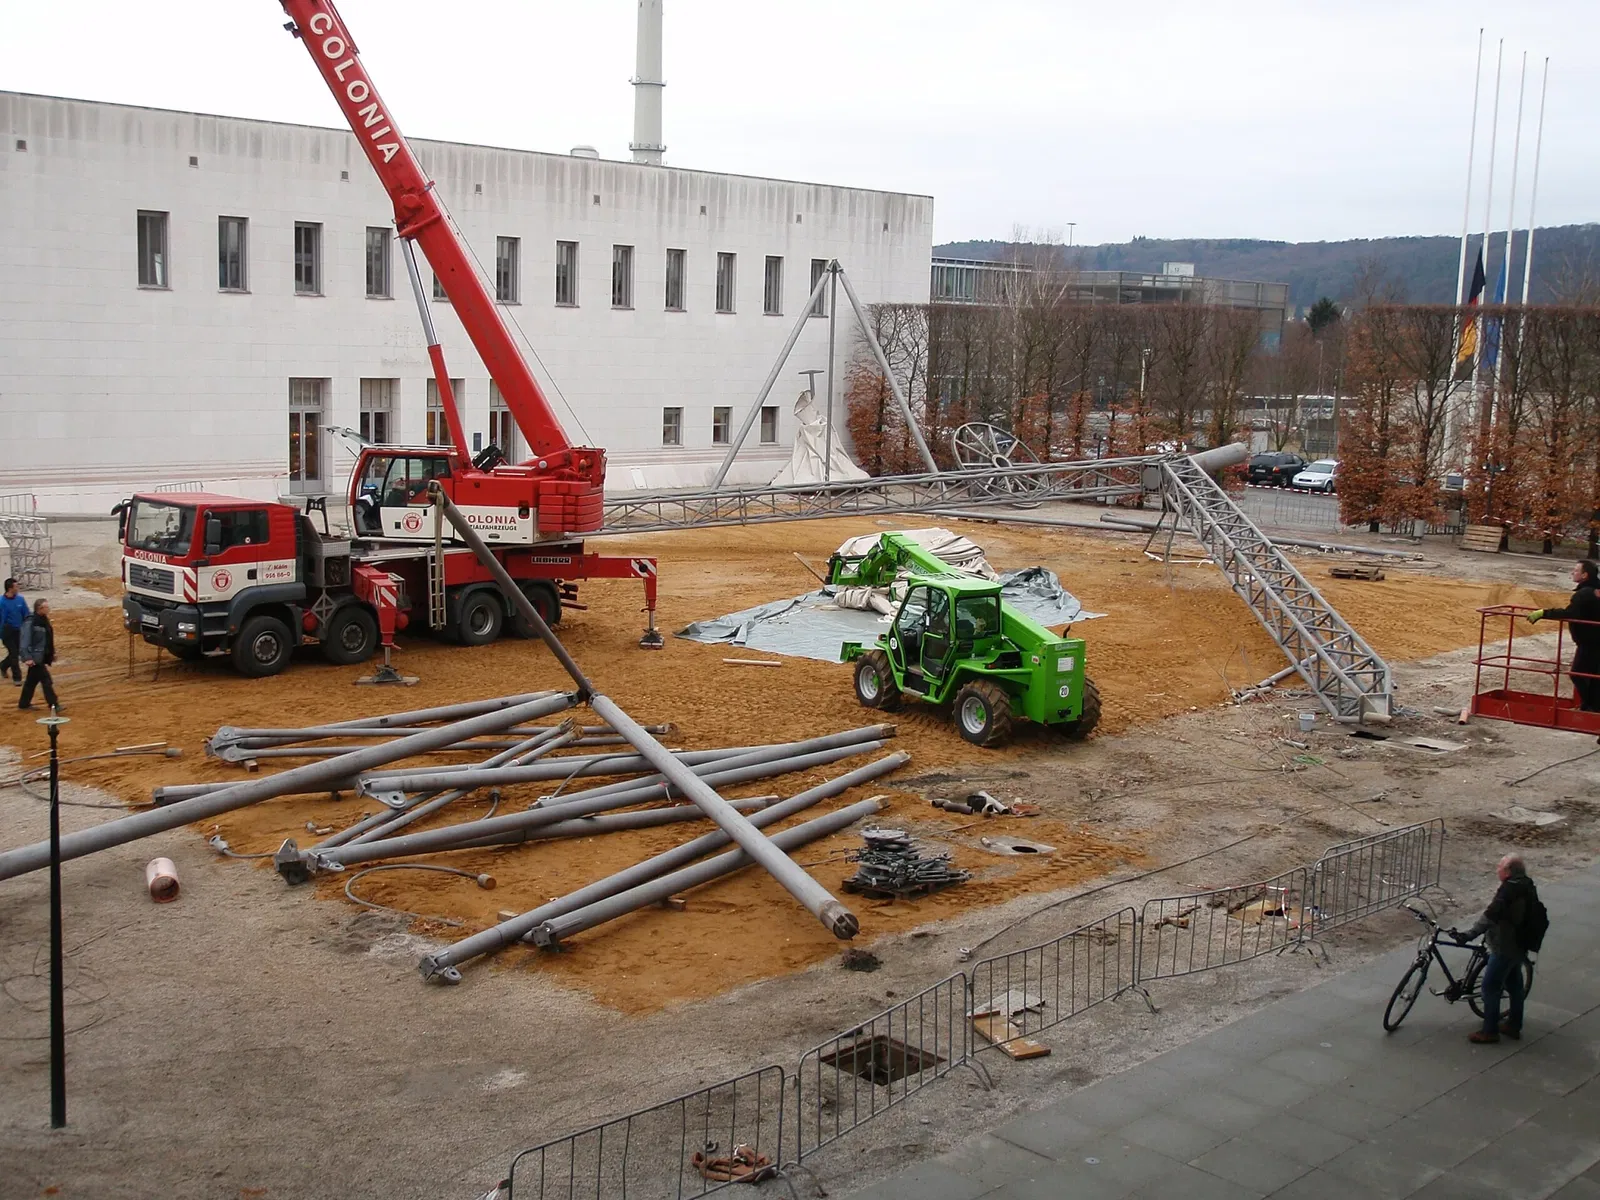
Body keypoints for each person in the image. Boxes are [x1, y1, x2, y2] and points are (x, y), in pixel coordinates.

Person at [1453, 853, 1537, 1044]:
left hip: (1504, 946)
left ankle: (1489, 1031)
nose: (1497, 869)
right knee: (1515, 985)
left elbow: (1490, 916)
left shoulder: (1508, 891)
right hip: (1520, 945)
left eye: (1500, 866)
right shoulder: (1526, 884)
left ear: (1508, 871)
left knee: (1490, 987)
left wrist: (1469, 935)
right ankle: (1514, 1025)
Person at [1528, 560, 1600, 718]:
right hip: (1593, 641)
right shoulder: (1595, 590)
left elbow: (1570, 613)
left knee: (1578, 674)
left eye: (1576, 570)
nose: (1572, 573)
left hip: (1590, 643)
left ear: (1585, 575)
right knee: (1593, 676)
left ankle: (1591, 707)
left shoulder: (1583, 594)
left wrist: (1544, 613)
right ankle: (1591, 706)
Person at [17, 598, 59, 713]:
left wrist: (51, 654)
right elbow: (25, 641)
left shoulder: (43, 620)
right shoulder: (31, 622)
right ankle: (53, 704)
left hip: (39, 656)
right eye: (46, 607)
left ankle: (23, 704)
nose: (48, 609)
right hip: (35, 657)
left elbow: (47, 640)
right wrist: (27, 657)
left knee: (31, 681)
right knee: (46, 680)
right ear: (40, 608)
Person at [0, 577, 26, 685]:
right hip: (7, 631)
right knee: (14, 654)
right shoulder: (1, 602)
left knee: (16, 653)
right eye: (16, 586)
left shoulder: (20, 600)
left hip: (18, 630)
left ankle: (3, 666)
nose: (18, 588)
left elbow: (26, 614)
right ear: (10, 588)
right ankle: (17, 678)